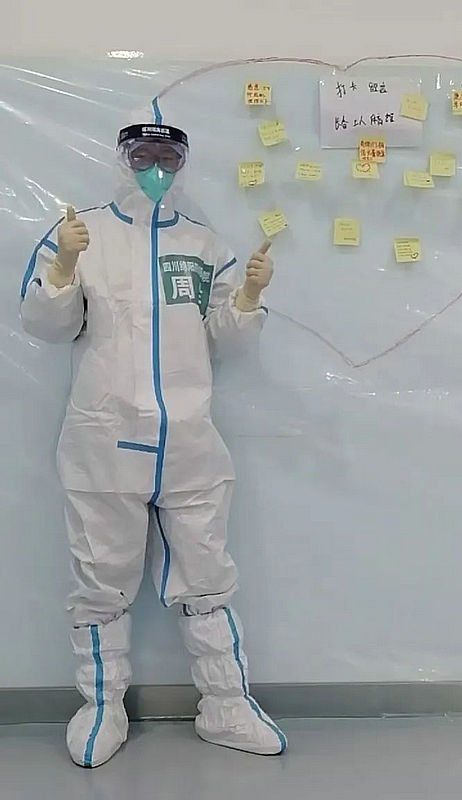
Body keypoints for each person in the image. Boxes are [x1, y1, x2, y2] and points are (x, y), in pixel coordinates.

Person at [19, 111, 287, 768]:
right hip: (104, 438)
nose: (156, 171)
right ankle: (101, 705)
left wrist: (248, 295)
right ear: (121, 160)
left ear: (184, 165)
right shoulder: (82, 234)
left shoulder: (203, 244)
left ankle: (226, 705)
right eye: (142, 158)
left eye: (168, 160)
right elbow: (46, 325)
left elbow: (224, 339)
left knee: (206, 575)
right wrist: (66, 264)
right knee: (101, 578)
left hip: (189, 440)